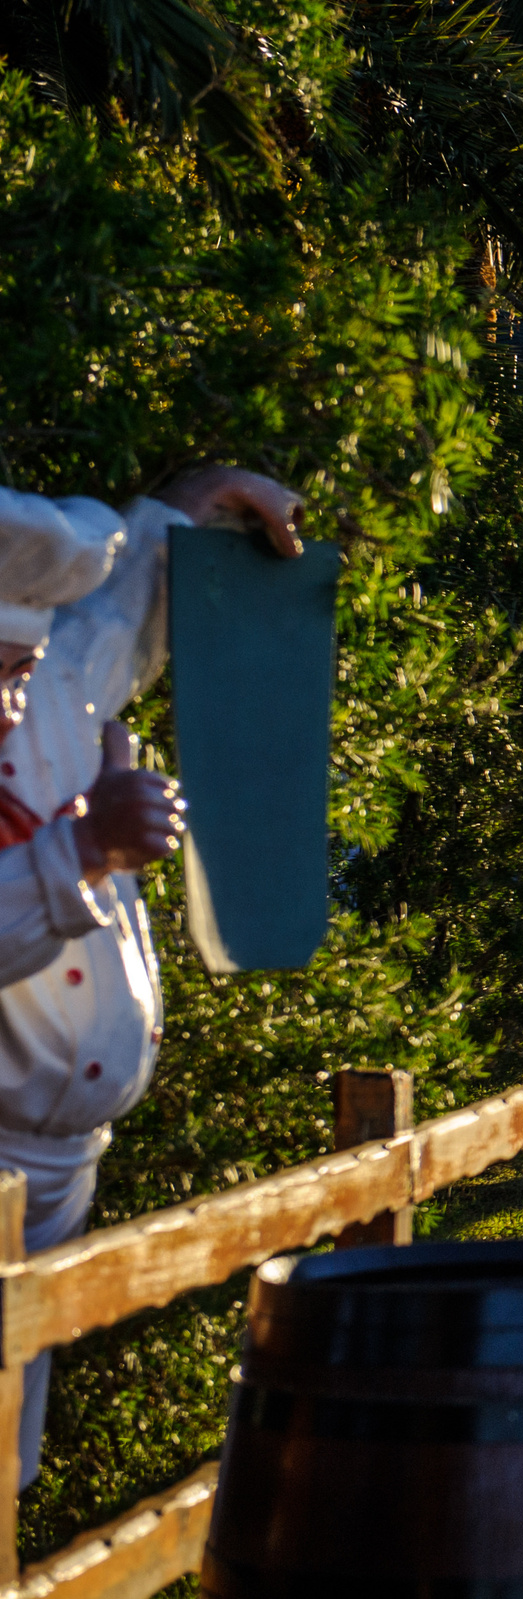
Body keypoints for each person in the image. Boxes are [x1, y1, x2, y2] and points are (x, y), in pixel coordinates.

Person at [0, 467, 303, 1486]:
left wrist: (203, 499)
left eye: (19, 671)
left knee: (9, 1465)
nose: (15, 699)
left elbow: (109, 624)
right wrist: (76, 857)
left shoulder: (40, 690)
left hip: (61, 1172)